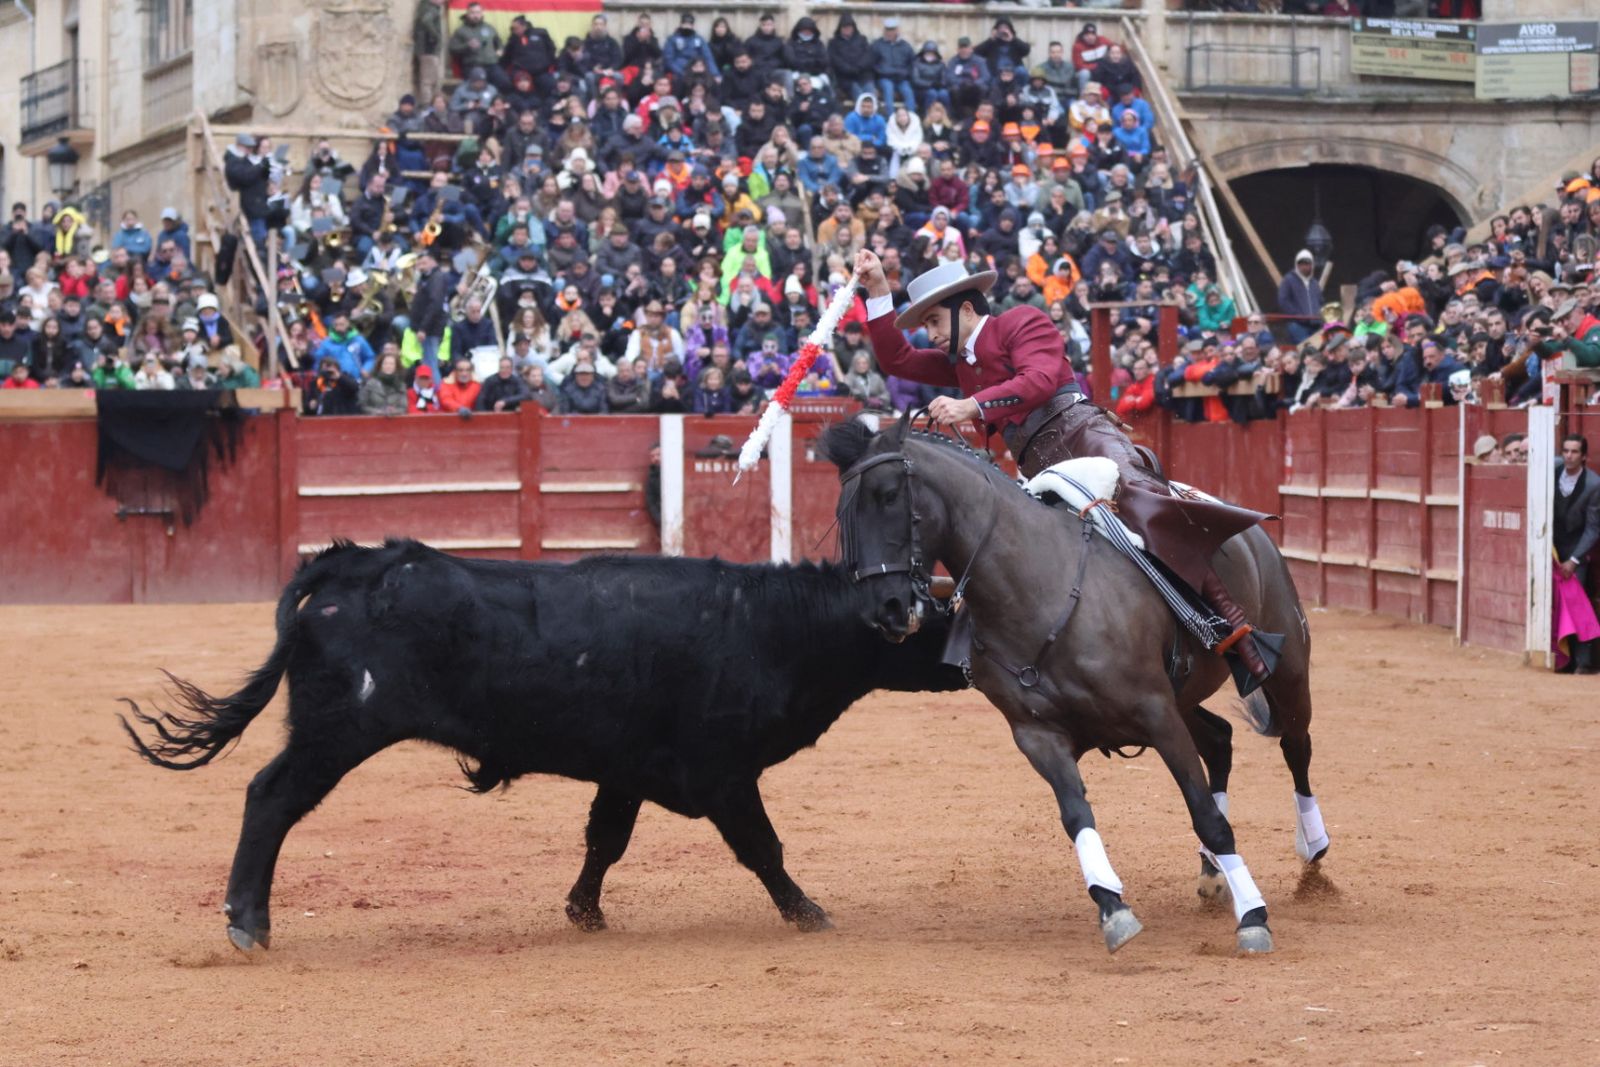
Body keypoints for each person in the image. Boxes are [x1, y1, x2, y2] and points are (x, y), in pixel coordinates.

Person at [853, 248, 1277, 689]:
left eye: (935, 321)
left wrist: (971, 405)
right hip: (1036, 466)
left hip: (1084, 438)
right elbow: (897, 360)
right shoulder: (961, 363)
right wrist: (879, 289)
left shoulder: (1021, 321)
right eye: (926, 326)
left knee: (1144, 503)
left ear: (965, 310)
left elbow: (1038, 380)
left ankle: (1234, 628)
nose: (931, 334)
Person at [1553, 434, 1600, 673]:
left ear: (1583, 456)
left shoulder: (1593, 484)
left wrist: (1574, 559)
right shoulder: (1551, 471)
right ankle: (1561, 659)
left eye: (1574, 452)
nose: (1569, 456)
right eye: (1566, 451)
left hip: (1575, 551)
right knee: (1552, 602)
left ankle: (1583, 662)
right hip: (1551, 547)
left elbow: (1593, 528)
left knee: (1576, 602)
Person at [1277, 249, 1322, 345]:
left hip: (1316, 324)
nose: (1304, 266)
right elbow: (1283, 300)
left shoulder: (1314, 283)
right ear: (1297, 265)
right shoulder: (1288, 280)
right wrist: (1296, 314)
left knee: (1319, 347)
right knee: (1305, 348)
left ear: (1312, 265)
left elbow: (1320, 301)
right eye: (1301, 263)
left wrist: (1320, 314)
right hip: (1298, 325)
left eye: (1307, 263)